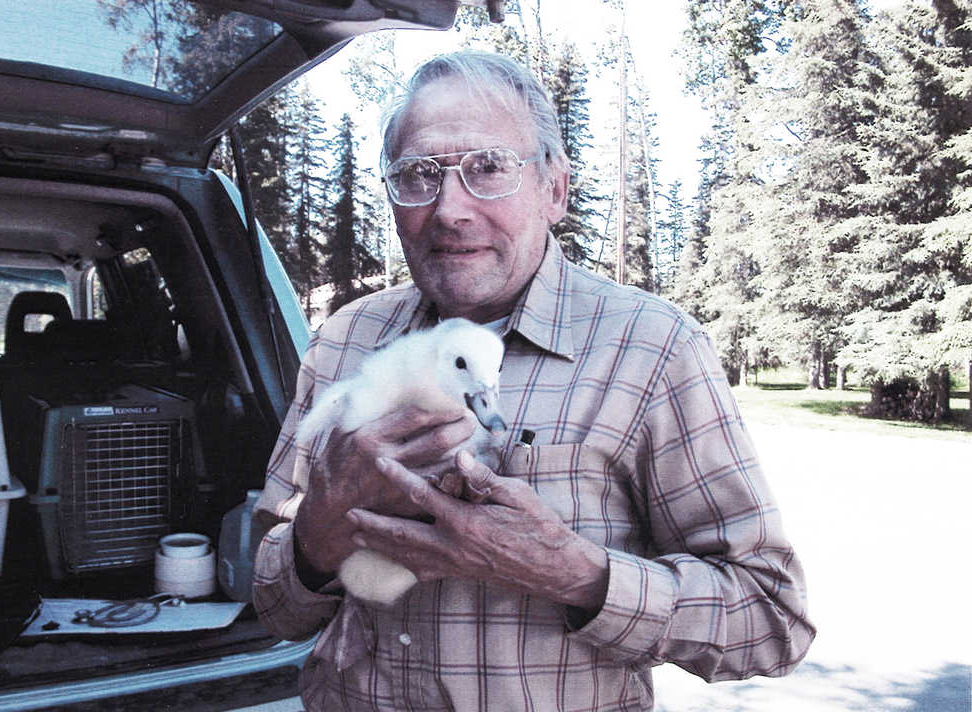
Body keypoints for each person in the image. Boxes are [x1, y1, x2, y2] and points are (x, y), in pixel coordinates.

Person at [253, 50, 815, 711]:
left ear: (555, 190)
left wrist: (576, 575)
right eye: (418, 174)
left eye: (487, 169)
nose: (449, 209)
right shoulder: (347, 341)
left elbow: (772, 620)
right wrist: (318, 534)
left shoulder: (650, 348)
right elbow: (273, 603)